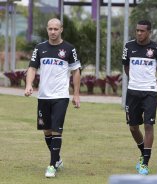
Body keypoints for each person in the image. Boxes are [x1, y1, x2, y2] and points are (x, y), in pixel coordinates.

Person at [24, 18, 81, 178]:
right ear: (47, 29)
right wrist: (29, 84)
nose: (53, 32)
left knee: (57, 130)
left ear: (61, 29)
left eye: (56, 29)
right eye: (50, 29)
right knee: (47, 131)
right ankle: (57, 159)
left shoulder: (69, 49)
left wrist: (76, 93)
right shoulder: (39, 48)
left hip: (60, 97)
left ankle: (51, 166)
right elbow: (32, 68)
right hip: (43, 96)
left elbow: (76, 71)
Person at [122, 20, 157, 175]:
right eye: (137, 30)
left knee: (149, 125)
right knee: (133, 127)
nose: (139, 33)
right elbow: (126, 66)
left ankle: (145, 163)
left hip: (149, 93)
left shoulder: (156, 48)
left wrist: (154, 85)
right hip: (133, 92)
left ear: (149, 32)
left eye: (142, 31)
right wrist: (134, 80)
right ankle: (143, 152)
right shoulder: (128, 46)